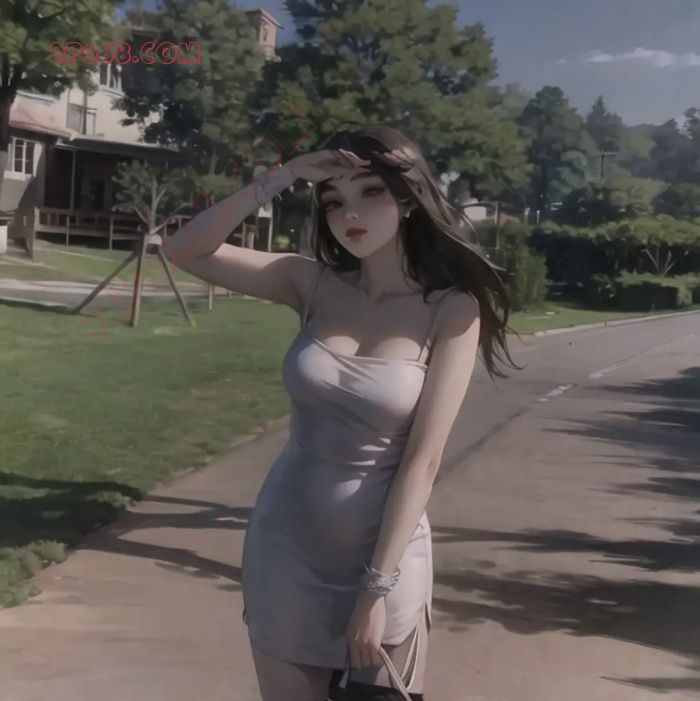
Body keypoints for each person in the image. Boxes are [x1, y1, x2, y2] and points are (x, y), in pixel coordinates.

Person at [162, 125, 518, 701]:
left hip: (387, 561)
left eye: (370, 192)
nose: (349, 213)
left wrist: (375, 591)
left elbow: (423, 463)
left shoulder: (452, 310)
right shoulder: (310, 283)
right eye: (333, 200)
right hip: (286, 550)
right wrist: (282, 176)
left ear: (408, 198)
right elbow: (183, 250)